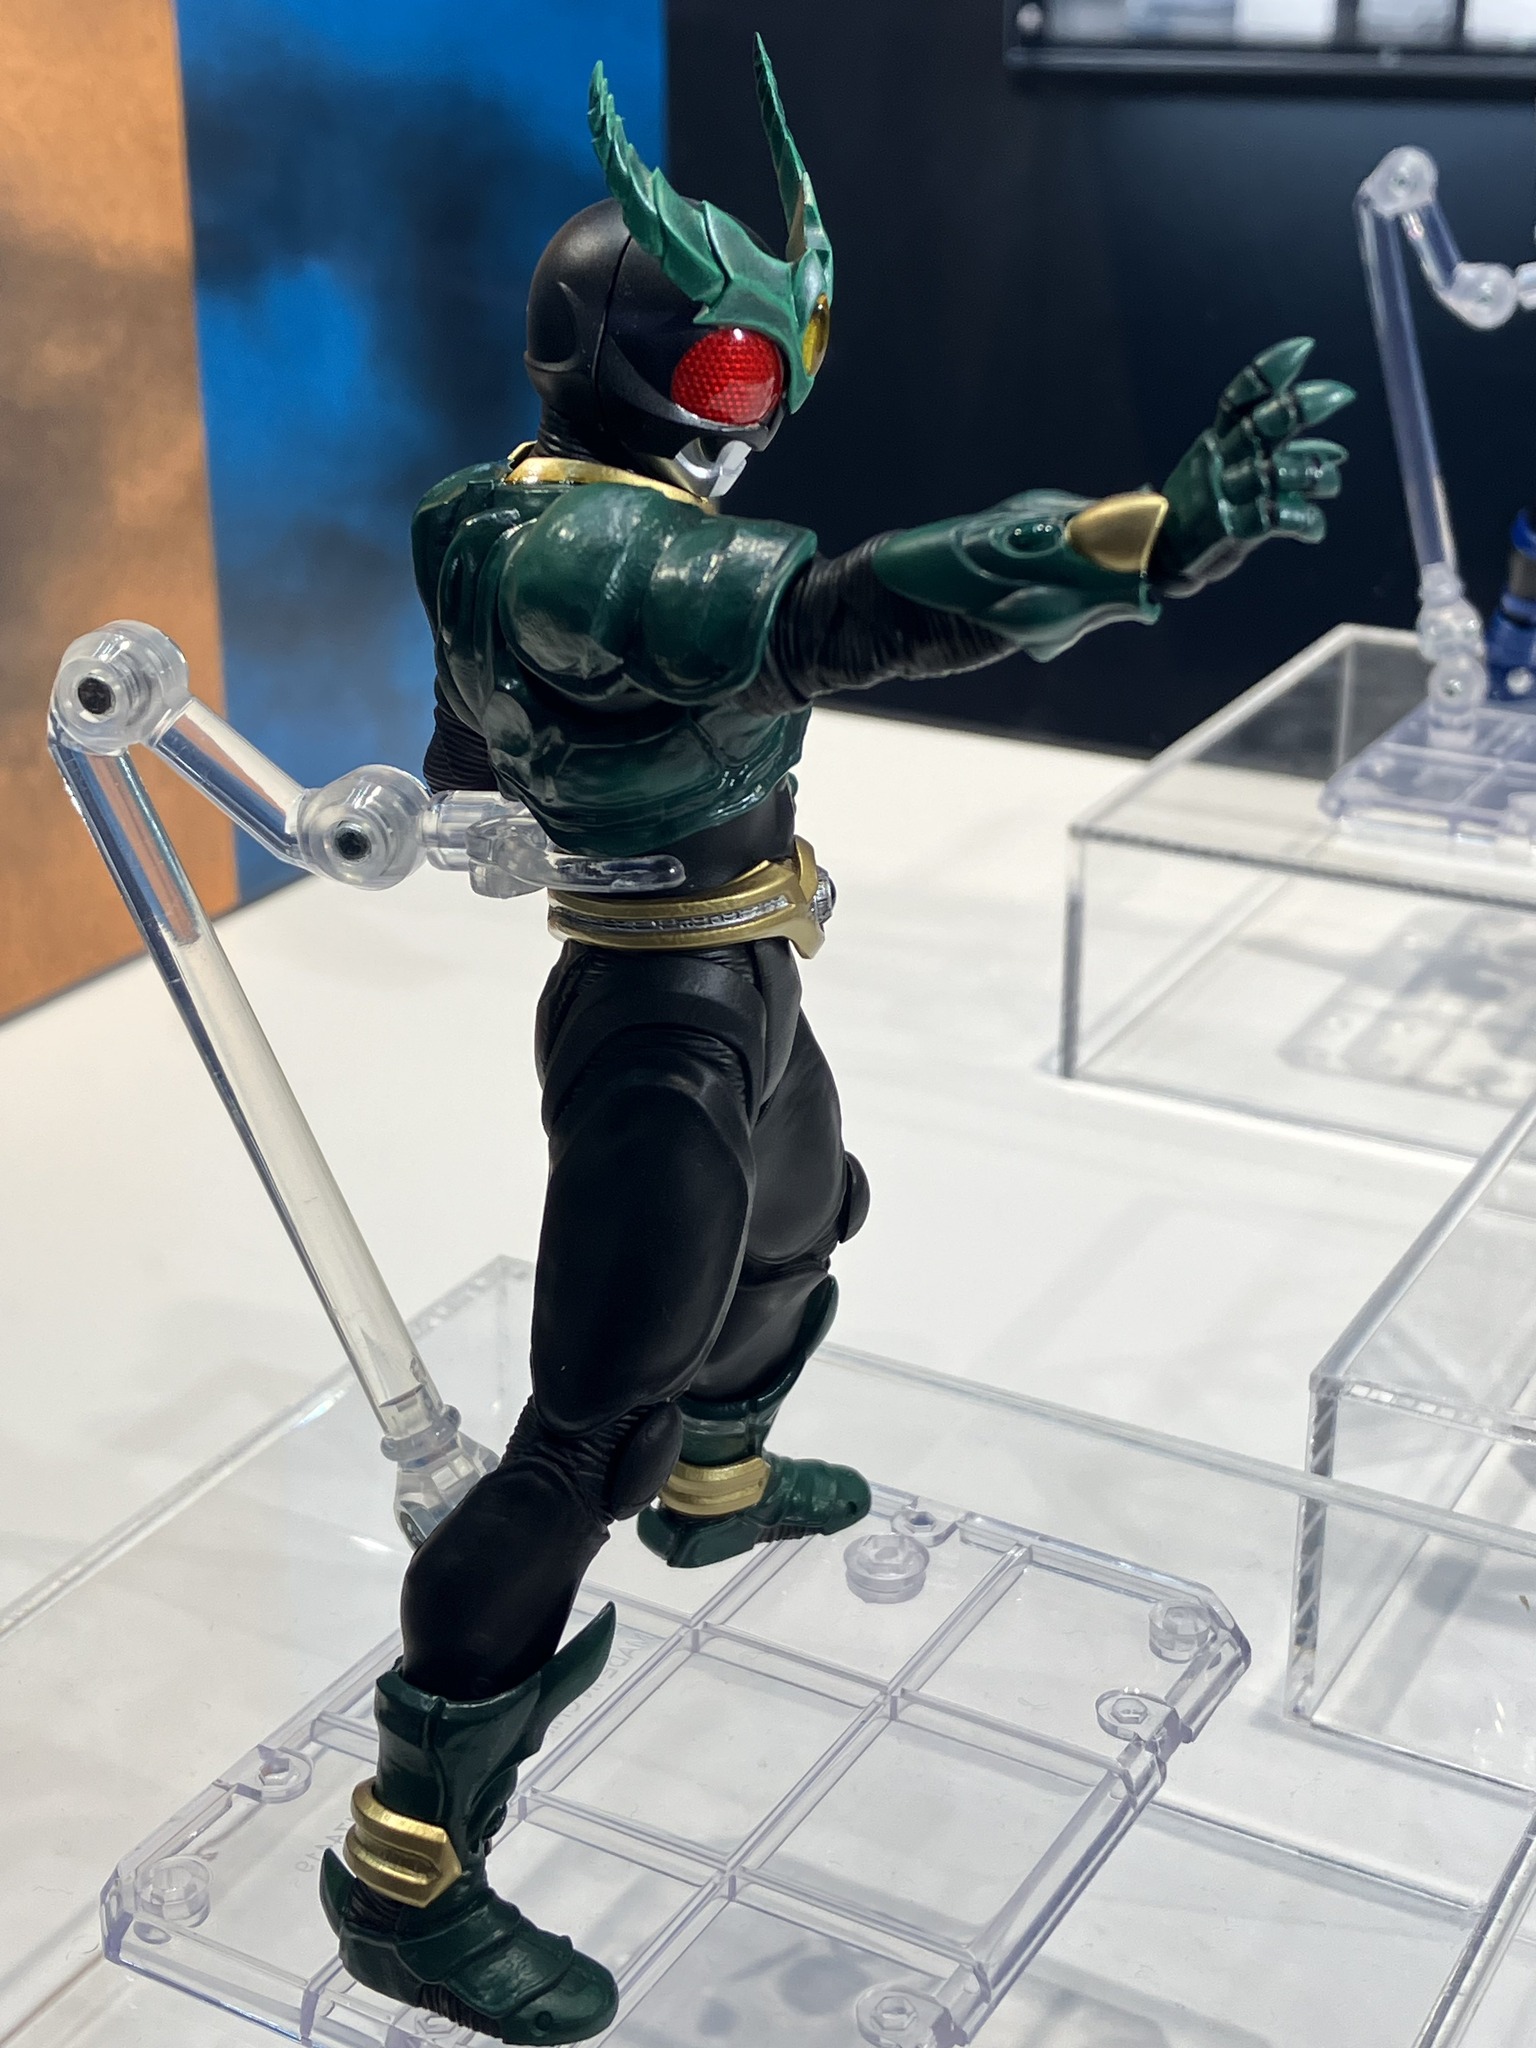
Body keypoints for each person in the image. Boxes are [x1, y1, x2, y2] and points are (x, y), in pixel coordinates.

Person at [320, 39, 1352, 2044]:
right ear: (621, 366)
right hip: (655, 1011)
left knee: (801, 1228)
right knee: (577, 1437)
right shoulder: (591, 549)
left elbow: (465, 740)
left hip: (738, 969)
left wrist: (492, 786)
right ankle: (407, 1865)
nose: (760, 414)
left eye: (779, 372)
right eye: (731, 375)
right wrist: (1143, 539)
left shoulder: (490, 520)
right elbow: (865, 611)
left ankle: (719, 1485)